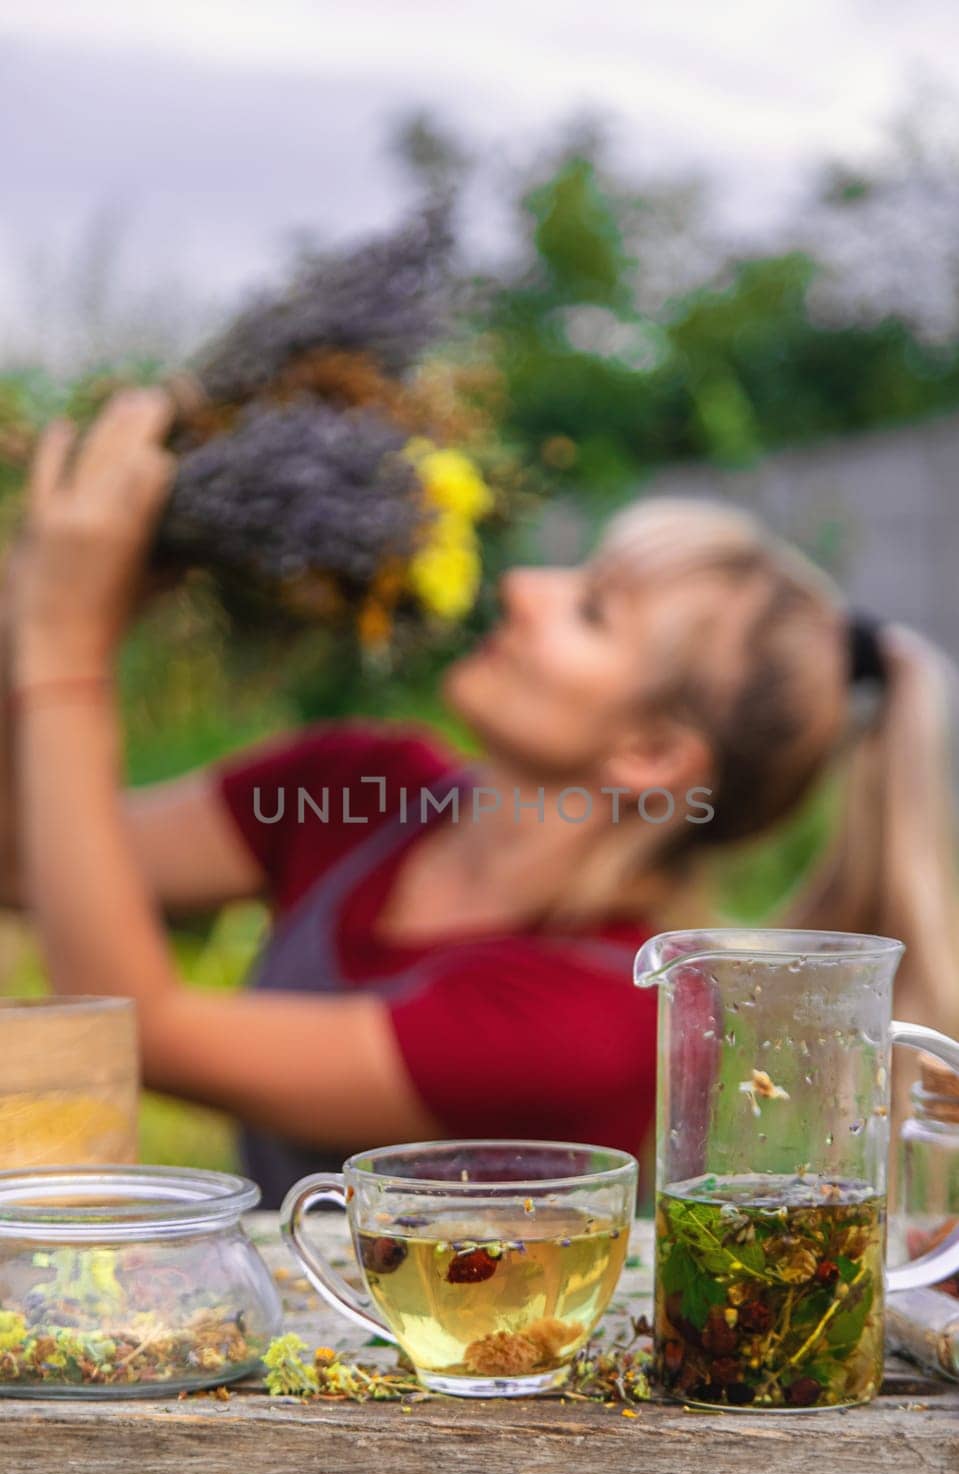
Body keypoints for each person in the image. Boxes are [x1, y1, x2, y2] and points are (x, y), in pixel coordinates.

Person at [3, 389, 957, 1203]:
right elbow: (31, 855)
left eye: (590, 611)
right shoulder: (359, 788)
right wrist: (34, 616)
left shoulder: (597, 1016)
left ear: (651, 750)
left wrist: (69, 657)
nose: (525, 587)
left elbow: (138, 1032)